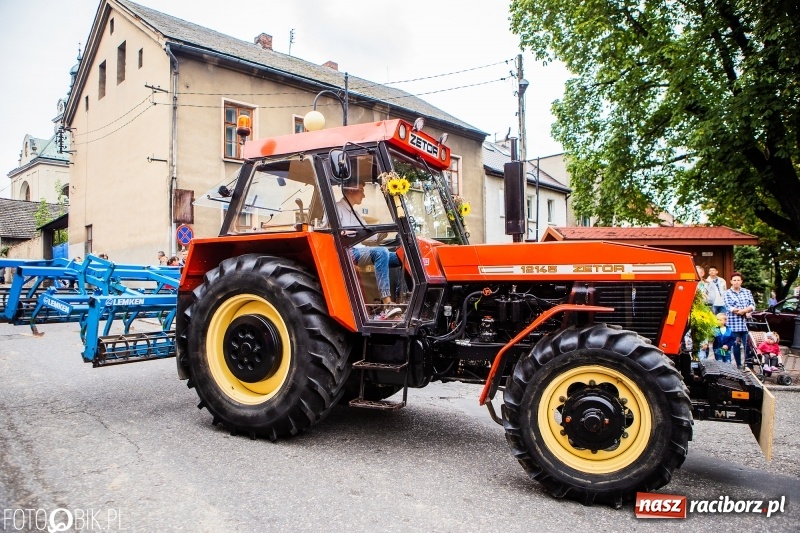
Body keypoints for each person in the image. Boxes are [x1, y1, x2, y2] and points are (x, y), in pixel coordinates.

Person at [327, 182, 402, 319]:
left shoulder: (355, 213)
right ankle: (387, 303)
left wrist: (382, 233)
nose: (364, 194)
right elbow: (331, 235)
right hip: (348, 252)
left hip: (360, 249)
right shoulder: (336, 210)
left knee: (402, 256)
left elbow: (371, 236)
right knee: (382, 252)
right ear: (350, 190)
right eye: (361, 190)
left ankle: (401, 300)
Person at [724, 271, 755, 368]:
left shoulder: (747, 292)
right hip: (734, 323)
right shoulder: (727, 293)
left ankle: (749, 366)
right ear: (731, 281)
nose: (736, 282)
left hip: (746, 323)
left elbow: (752, 305)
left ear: (741, 281)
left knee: (748, 346)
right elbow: (728, 307)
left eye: (738, 280)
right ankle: (739, 365)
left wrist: (746, 311)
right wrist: (740, 311)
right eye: (734, 280)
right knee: (736, 345)